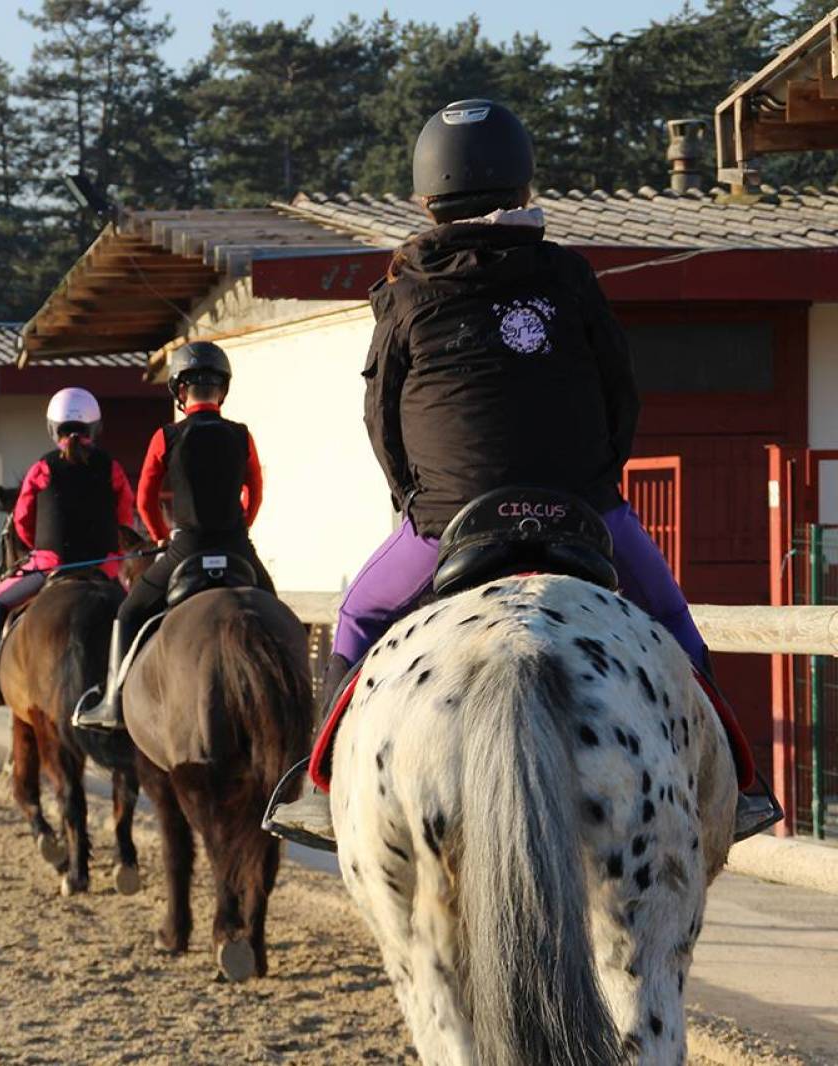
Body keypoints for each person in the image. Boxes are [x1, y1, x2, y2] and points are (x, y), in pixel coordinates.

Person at [266, 98, 779, 843]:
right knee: (670, 620)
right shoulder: (570, 276)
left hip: (451, 517)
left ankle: (317, 788)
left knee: (360, 617)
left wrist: (416, 501)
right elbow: (619, 392)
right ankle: (742, 785)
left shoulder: (405, 295)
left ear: (428, 197)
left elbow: (381, 422)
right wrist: (596, 482)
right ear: (523, 189)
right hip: (580, 507)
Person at [72, 342, 273, 731]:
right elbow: (256, 490)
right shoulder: (241, 435)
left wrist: (162, 536)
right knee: (273, 609)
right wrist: (242, 525)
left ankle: (113, 703)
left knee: (129, 612)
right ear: (223, 390)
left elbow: (146, 498)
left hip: (185, 550)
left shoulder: (166, 437)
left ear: (180, 392)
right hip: (236, 549)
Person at [0, 388, 136, 708]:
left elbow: (22, 521)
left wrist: (38, 549)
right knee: (133, 615)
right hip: (104, 568)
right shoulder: (111, 467)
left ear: (52, 427)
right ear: (95, 427)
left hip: (49, 566)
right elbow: (125, 514)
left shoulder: (42, 468)